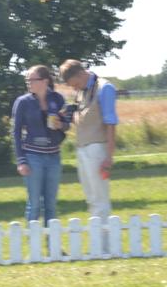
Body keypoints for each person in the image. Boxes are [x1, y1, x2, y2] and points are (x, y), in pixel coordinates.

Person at [60, 59, 120, 220]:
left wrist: (109, 156)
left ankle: (105, 244)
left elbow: (111, 123)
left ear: (81, 73)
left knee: (100, 200)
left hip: (97, 149)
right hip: (82, 149)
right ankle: (98, 241)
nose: (74, 88)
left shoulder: (104, 88)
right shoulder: (82, 91)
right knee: (91, 199)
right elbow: (85, 118)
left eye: (75, 84)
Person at [11, 66, 66, 225]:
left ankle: (52, 247)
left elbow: (67, 124)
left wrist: (61, 125)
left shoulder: (57, 99)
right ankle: (33, 247)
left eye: (32, 79)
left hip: (54, 157)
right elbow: (15, 132)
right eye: (27, 80)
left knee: (51, 204)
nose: (28, 83)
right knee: (34, 203)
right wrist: (21, 161)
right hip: (32, 157)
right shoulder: (23, 102)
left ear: (45, 81)